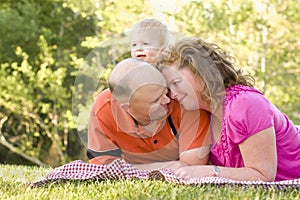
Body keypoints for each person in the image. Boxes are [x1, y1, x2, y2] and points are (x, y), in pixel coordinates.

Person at [157, 37, 300, 181]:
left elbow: (263, 175)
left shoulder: (245, 104)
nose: (173, 95)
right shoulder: (204, 115)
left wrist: (208, 171)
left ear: (202, 73)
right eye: (170, 87)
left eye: (176, 82)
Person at [87, 58, 211, 170]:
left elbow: (191, 168)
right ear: (128, 108)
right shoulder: (104, 109)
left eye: (165, 91)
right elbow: (102, 169)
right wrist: (163, 167)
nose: (167, 99)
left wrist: (128, 169)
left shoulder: (185, 102)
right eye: (156, 100)